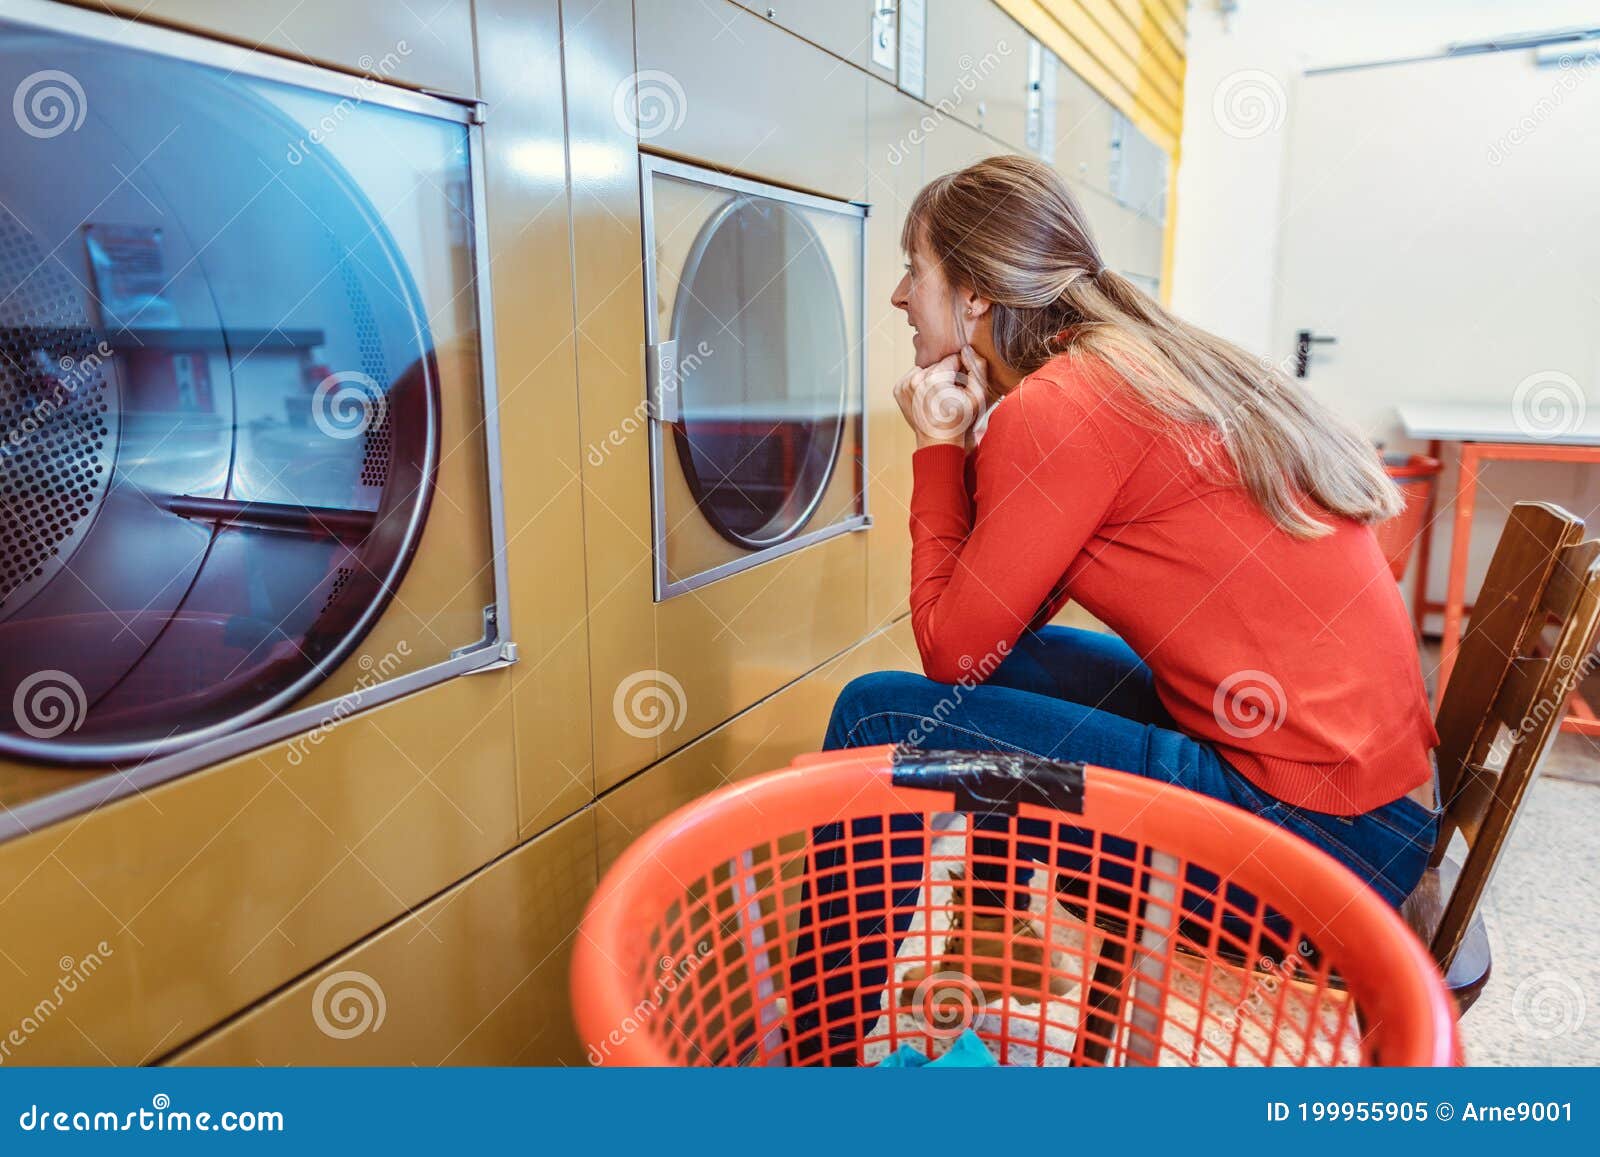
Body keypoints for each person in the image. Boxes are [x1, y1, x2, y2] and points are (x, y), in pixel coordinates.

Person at [789, 155, 1440, 1061]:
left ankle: (799, 1064)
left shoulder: (1063, 405)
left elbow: (949, 650)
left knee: (881, 714)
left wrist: (938, 449)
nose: (900, 295)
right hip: (1371, 812)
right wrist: (980, 444)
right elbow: (1000, 628)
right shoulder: (1114, 373)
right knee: (1008, 675)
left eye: (915, 267)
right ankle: (993, 936)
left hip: (1310, 855)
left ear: (975, 296)